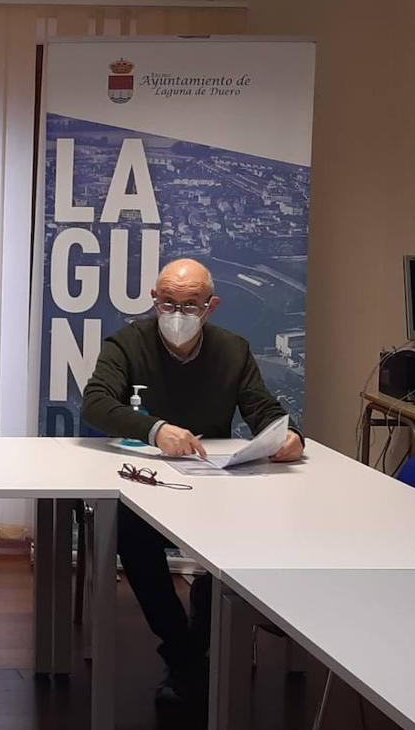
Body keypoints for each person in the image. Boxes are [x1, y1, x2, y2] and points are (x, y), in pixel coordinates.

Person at [81, 258, 304, 706]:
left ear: (210, 307)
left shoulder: (233, 350)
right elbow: (97, 403)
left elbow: (263, 409)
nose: (177, 314)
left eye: (189, 305)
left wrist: (290, 435)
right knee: (131, 534)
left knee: (235, 540)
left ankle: (198, 648)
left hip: (213, 484)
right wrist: (155, 429)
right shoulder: (126, 344)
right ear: (154, 301)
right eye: (167, 303)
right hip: (146, 484)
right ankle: (182, 650)